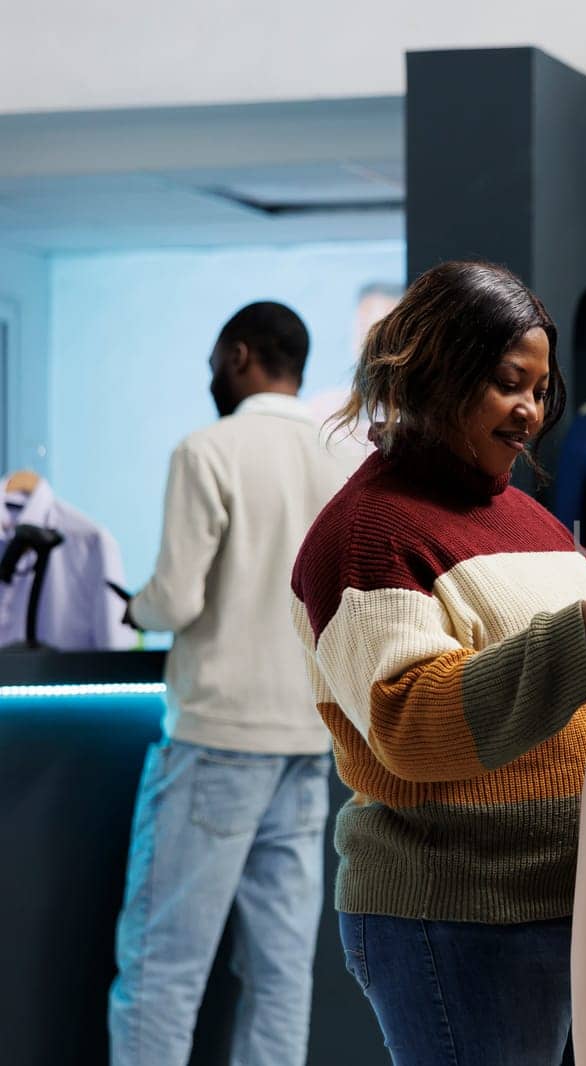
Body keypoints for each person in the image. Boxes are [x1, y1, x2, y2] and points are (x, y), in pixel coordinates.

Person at [289, 260, 586, 1064]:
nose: (532, 413)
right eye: (511, 384)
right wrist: (579, 639)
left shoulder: (526, 517)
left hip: (564, 904)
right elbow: (411, 721)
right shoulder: (367, 532)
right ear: (442, 373)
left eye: (541, 390)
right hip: (457, 915)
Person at [108, 302, 354, 1064]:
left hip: (216, 739)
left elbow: (176, 600)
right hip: (308, 743)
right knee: (281, 976)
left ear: (238, 356)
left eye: (217, 359)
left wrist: (132, 604)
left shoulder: (206, 450)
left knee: (162, 969)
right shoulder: (342, 460)